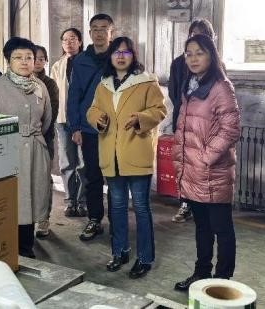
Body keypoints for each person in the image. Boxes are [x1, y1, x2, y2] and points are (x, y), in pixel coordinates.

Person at [87, 37, 166, 279]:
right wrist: (97, 118)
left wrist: (141, 118)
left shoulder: (146, 82)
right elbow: (92, 109)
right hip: (111, 155)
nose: (121, 57)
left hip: (136, 152)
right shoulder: (104, 85)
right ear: (110, 56)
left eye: (126, 52)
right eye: (116, 52)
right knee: (117, 206)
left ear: (133, 56)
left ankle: (145, 257)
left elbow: (160, 110)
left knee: (141, 208)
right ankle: (119, 251)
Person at [172, 34, 241, 291]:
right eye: (188, 53)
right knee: (202, 227)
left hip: (213, 172)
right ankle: (201, 274)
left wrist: (206, 157)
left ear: (211, 55)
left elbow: (231, 129)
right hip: (194, 172)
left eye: (199, 53)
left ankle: (222, 280)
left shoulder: (221, 87)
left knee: (221, 228)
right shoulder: (189, 85)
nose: (193, 58)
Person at [0, 37, 52, 258]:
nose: (24, 62)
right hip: (8, 153)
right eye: (18, 57)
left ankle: (26, 248)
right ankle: (9, 249)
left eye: (29, 57)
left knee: (32, 199)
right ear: (8, 60)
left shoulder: (40, 86)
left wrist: (33, 136)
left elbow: (47, 120)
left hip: (35, 150)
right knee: (12, 201)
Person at [67, 14, 114, 241]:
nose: (99, 33)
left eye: (104, 28)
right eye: (95, 28)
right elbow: (73, 95)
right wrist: (75, 127)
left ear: (111, 32)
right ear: (89, 33)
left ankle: (117, 220)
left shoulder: (119, 57)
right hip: (88, 128)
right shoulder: (80, 61)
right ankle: (95, 219)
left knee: (115, 177)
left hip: (114, 129)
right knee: (93, 176)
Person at [168, 19, 216, 223]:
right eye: (193, 35)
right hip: (184, 121)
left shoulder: (216, 65)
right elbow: (173, 92)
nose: (196, 39)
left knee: (204, 165)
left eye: (202, 35)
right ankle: (186, 204)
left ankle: (204, 204)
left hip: (207, 125)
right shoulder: (179, 63)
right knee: (185, 165)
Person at [50, 28, 87, 218]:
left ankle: (82, 202)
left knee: (83, 162)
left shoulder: (87, 63)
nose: (69, 42)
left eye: (73, 38)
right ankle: (70, 200)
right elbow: (54, 94)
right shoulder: (57, 66)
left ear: (80, 41)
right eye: (65, 39)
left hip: (84, 121)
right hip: (63, 120)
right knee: (66, 162)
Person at [33, 45, 59, 238]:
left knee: (44, 177)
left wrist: (39, 133)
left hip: (44, 136)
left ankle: (43, 219)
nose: (37, 62)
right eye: (34, 58)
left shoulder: (49, 84)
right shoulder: (19, 82)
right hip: (23, 138)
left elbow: (52, 112)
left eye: (42, 58)